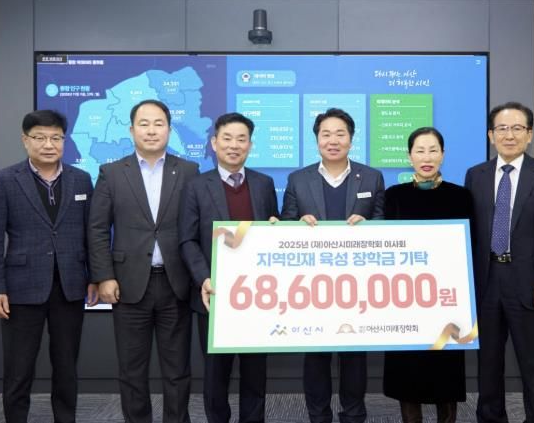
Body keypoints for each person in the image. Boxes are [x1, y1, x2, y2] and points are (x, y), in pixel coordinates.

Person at [88, 99, 198, 423]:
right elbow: (97, 228)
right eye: (144, 124)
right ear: (131, 129)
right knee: (132, 370)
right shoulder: (111, 173)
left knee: (177, 370)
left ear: (169, 129)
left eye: (158, 123)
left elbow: (197, 225)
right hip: (127, 284)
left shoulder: (188, 171)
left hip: (176, 283)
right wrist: (104, 276)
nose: (151, 130)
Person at [0, 110, 97, 423]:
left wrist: (94, 276)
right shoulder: (3, 181)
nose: (49, 144)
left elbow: (91, 233)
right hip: (21, 289)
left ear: (64, 140)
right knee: (18, 368)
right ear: (26, 140)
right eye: (40, 138)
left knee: (66, 366)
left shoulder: (81, 179)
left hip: (70, 287)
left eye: (56, 138)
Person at [281, 107, 385, 423]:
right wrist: (298, 224)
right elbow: (284, 226)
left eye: (340, 134)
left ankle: (354, 414)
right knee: (316, 356)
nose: (333, 140)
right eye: (326, 134)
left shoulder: (371, 177)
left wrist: (369, 226)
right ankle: (318, 415)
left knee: (354, 356)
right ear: (317, 140)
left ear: (351, 139)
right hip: (314, 285)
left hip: (358, 284)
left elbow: (384, 224)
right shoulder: (298, 179)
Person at [464, 102, 534, 423]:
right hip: (486, 281)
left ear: (529, 134)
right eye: (502, 129)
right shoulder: (476, 175)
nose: (510, 135)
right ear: (491, 135)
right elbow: (471, 231)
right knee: (488, 362)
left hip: (530, 283)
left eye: (517, 128)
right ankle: (490, 418)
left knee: (532, 364)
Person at [179, 112, 278, 423]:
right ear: (214, 143)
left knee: (255, 374)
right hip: (215, 295)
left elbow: (272, 233)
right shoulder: (196, 186)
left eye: (241, 139)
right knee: (215, 376)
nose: (234, 145)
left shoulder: (264, 184)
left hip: (257, 297)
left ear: (250, 145)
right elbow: (187, 240)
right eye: (227, 138)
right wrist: (204, 279)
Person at [383, 127, 472, 423]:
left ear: (443, 155)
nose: (426, 157)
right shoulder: (394, 196)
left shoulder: (461, 196)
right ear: (409, 156)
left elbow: (470, 245)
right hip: (405, 301)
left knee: (446, 375)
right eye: (419, 151)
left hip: (447, 300)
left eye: (433, 150)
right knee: (407, 376)